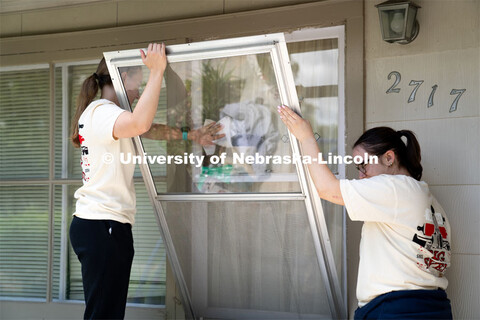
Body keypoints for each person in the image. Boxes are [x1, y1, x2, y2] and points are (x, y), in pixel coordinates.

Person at [69, 43, 223, 319]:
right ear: (122, 76)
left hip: (102, 226)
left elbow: (148, 128)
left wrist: (193, 135)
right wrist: (157, 71)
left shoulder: (107, 114)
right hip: (102, 226)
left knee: (107, 312)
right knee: (104, 314)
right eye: (137, 82)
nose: (139, 92)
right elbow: (140, 124)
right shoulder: (102, 112)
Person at [277, 105, 453, 319]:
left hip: (398, 310)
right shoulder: (429, 201)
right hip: (432, 308)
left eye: (364, 166)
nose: (361, 176)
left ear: (389, 158)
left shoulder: (396, 188)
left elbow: (327, 189)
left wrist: (305, 137)